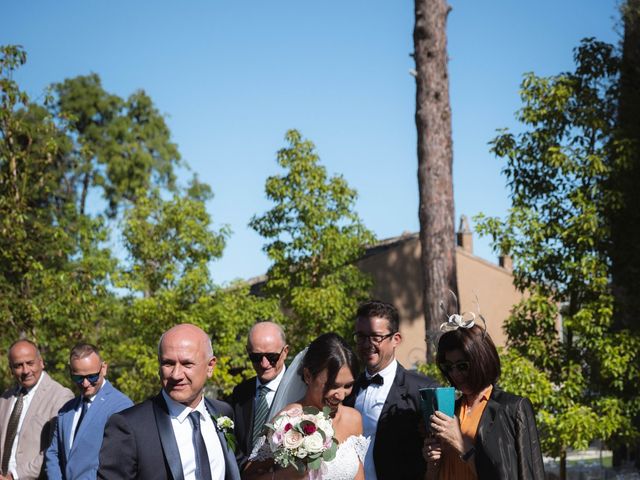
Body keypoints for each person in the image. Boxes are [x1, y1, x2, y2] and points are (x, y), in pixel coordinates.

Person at [97, 324, 241, 480]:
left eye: (187, 364)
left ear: (210, 366)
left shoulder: (223, 413)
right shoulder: (129, 426)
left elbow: (238, 465)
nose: (176, 374)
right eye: (168, 363)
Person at [423, 320, 545, 479]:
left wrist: (461, 444)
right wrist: (433, 465)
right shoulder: (448, 411)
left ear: (482, 360)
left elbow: (524, 473)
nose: (454, 374)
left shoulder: (511, 409)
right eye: (448, 367)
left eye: (462, 366)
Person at [243, 333, 368, 480]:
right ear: (308, 376)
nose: (340, 395)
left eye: (348, 385)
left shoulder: (353, 419)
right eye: (333, 386)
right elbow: (248, 476)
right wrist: (283, 476)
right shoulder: (286, 419)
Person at [346, 300, 438, 480]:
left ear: (396, 339)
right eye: (361, 336)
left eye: (375, 337)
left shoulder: (423, 391)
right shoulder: (347, 389)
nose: (366, 344)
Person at [45, 343, 133, 479]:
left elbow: (120, 464)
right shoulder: (66, 410)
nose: (85, 383)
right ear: (70, 371)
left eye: (92, 376)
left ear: (103, 368)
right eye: (78, 377)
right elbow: (53, 453)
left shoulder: (121, 406)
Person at [0, 339, 73, 480]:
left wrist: (13, 476)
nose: (26, 370)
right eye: (18, 366)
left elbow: (55, 448)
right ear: (11, 369)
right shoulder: (5, 398)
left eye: (30, 363)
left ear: (41, 362)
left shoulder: (60, 396)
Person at [231, 322, 289, 465]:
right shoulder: (240, 393)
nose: (264, 364)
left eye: (271, 357)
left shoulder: (302, 390)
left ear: (285, 352)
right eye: (256, 357)